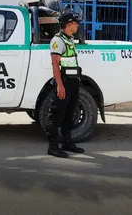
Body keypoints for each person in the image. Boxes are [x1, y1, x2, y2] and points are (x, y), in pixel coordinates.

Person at [47, 10, 85, 158]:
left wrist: (77, 78)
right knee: (56, 115)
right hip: (63, 83)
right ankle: (53, 146)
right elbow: (55, 64)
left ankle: (67, 142)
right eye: (75, 23)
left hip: (73, 83)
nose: (77, 26)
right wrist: (59, 85)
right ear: (69, 24)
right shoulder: (58, 40)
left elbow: (71, 61)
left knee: (70, 114)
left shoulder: (69, 39)